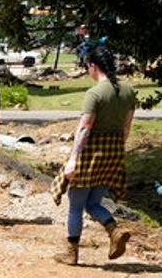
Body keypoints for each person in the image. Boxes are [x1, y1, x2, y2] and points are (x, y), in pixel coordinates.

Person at [52, 42, 135, 265]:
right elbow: (127, 127)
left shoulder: (94, 93)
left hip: (91, 153)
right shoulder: (128, 91)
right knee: (94, 202)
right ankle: (114, 231)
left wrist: (72, 159)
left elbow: (84, 128)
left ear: (93, 66)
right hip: (114, 151)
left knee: (76, 205)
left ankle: (72, 253)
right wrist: (117, 151)